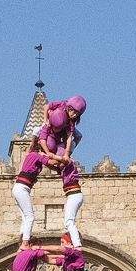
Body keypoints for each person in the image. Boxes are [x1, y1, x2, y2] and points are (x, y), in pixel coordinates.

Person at [14, 94, 86, 247]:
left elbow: (66, 141)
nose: (74, 115)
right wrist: (57, 156)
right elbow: (52, 159)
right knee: (33, 217)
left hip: (20, 187)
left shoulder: (31, 156)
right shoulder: (39, 153)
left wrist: (65, 154)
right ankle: (25, 242)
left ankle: (23, 238)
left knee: (26, 215)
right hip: (27, 187)